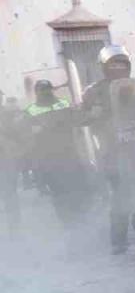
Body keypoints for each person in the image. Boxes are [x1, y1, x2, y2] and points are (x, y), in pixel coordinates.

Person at [82, 45, 135, 254]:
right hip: (113, 150)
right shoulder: (94, 91)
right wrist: (93, 114)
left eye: (122, 63)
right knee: (121, 194)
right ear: (104, 67)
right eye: (113, 64)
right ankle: (118, 239)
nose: (118, 67)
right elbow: (81, 118)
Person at [23, 80, 93, 226]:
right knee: (59, 192)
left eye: (48, 89)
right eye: (42, 90)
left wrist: (88, 113)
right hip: (48, 159)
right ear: (37, 92)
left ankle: (83, 217)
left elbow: (79, 119)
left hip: (70, 154)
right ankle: (67, 221)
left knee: (78, 186)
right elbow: (27, 137)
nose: (46, 92)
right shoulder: (30, 110)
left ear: (52, 89)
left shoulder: (64, 103)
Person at [0, 94, 21, 232]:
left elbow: (16, 134)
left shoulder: (7, 113)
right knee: (10, 195)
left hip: (6, 159)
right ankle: (15, 228)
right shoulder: (7, 113)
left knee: (10, 194)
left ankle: (15, 228)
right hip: (6, 159)